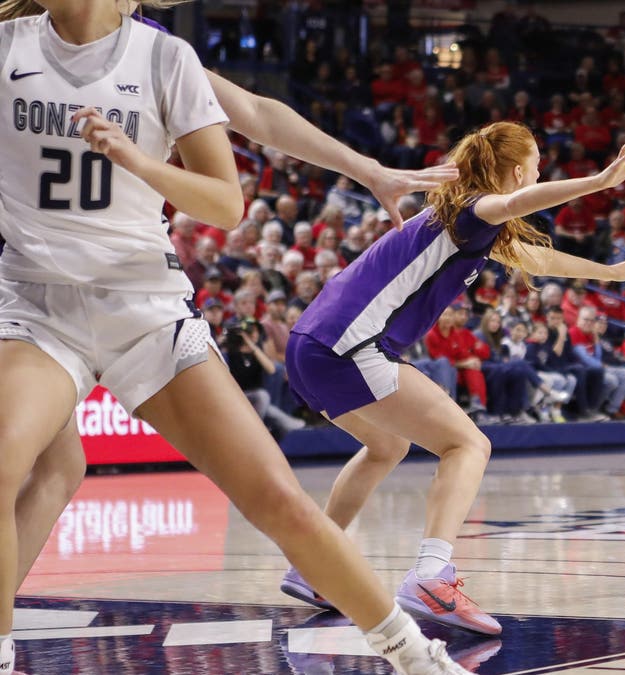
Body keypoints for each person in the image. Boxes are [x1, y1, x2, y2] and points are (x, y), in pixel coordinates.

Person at [0, 2, 466, 673]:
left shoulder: (160, 55)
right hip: (39, 307)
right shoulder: (12, 46)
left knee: (278, 499)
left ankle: (413, 652)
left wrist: (365, 168)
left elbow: (250, 128)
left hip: (146, 310)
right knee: (31, 462)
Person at [281, 123, 625, 634]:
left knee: (386, 447)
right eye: (537, 162)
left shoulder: (457, 219)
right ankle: (431, 577)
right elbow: (511, 207)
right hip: (348, 345)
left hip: (310, 344)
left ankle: (313, 566)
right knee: (468, 446)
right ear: (519, 172)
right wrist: (598, 181)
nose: (541, 169)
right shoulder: (473, 208)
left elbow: (535, 257)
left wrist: (608, 274)